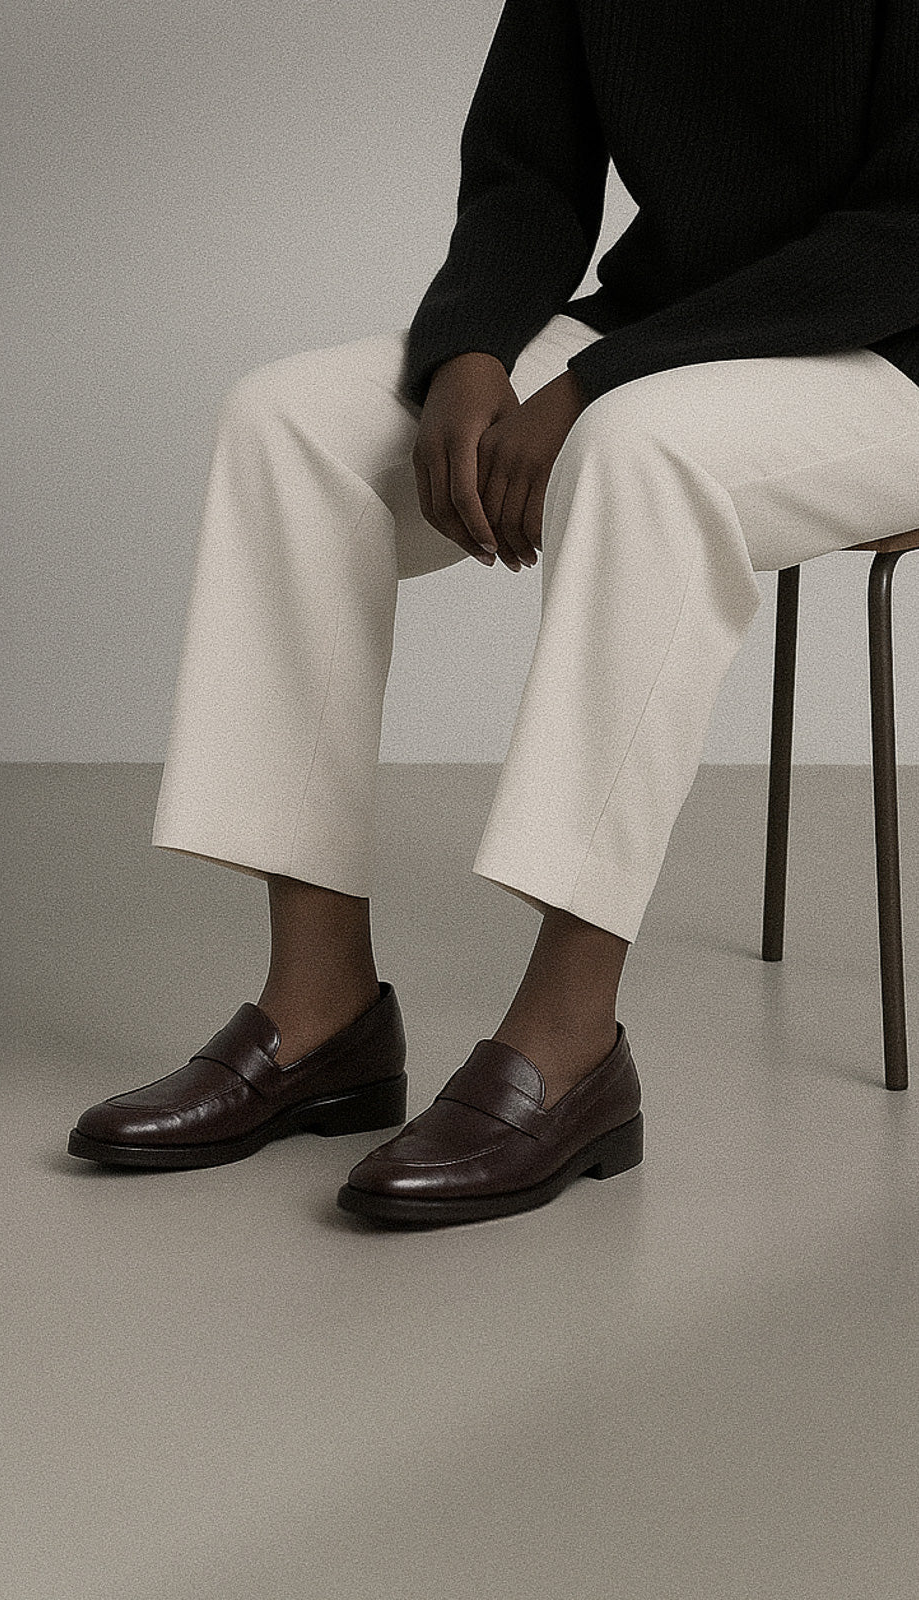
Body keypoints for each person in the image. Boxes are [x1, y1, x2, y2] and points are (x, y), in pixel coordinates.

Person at [67, 0, 919, 1227]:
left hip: (891, 353)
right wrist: (468, 349)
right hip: (675, 331)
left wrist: (592, 379)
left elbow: (900, 233)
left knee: (640, 452)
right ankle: (321, 1009)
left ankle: (568, 1042)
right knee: (288, 424)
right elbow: (527, 169)